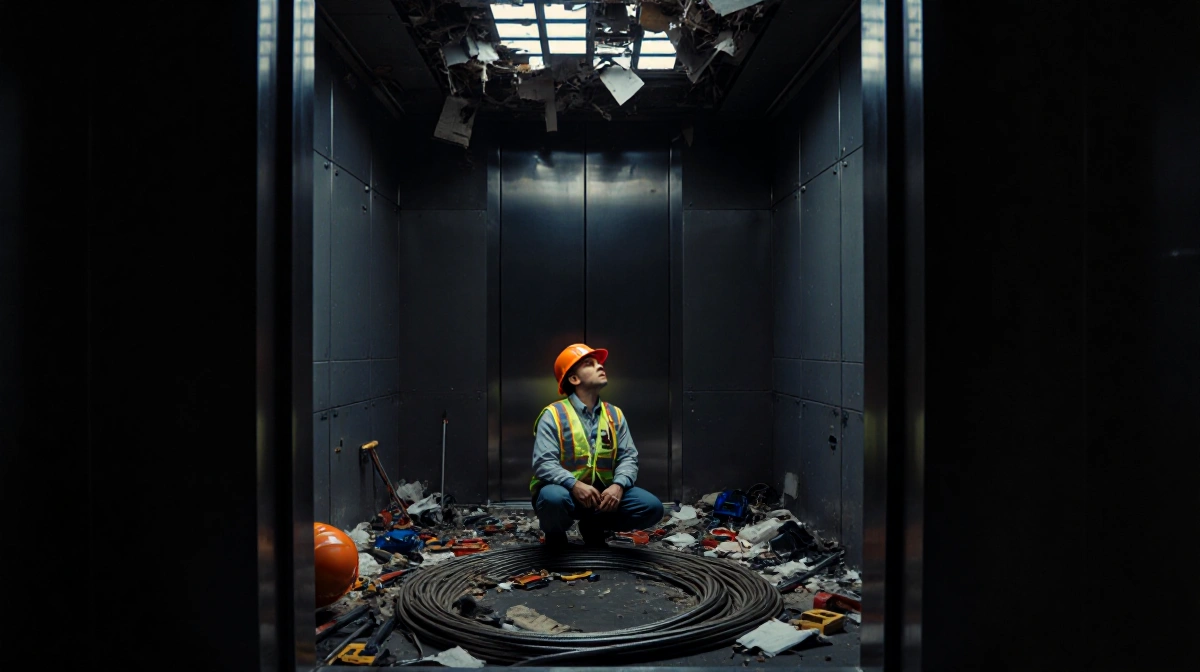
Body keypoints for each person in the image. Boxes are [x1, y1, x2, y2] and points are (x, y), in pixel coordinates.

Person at [530, 343, 665, 549]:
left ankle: (593, 526)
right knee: (552, 498)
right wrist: (574, 484)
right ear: (574, 379)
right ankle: (555, 535)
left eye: (599, 363)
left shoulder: (615, 415)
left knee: (651, 507)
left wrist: (618, 485)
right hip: (566, 493)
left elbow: (628, 457)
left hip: (602, 498)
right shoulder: (553, 415)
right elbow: (543, 463)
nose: (600, 366)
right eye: (589, 364)